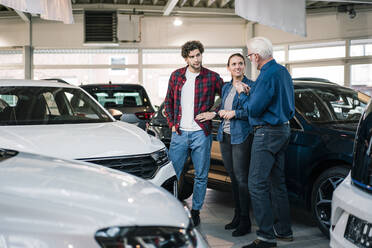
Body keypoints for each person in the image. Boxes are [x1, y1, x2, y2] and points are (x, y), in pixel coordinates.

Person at [239, 37, 295, 248]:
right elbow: (278, 101)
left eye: (249, 55)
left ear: (255, 56)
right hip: (283, 130)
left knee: (256, 183)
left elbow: (254, 109)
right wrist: (253, 94)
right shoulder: (282, 72)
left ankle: (265, 237)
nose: (250, 59)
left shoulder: (266, 75)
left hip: (266, 133)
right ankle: (284, 231)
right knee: (277, 183)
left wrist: (243, 95)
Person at [164, 40, 223, 226]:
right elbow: (169, 102)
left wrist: (213, 113)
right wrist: (172, 124)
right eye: (192, 56)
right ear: (186, 58)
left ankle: (196, 211)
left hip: (201, 133)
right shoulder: (176, 76)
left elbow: (226, 95)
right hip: (180, 132)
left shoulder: (212, 77)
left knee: (201, 174)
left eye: (198, 55)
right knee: (173, 173)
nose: (196, 59)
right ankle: (169, 208)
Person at [217, 53, 254, 237]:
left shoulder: (250, 86)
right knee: (232, 177)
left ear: (244, 66)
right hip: (225, 136)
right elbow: (221, 109)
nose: (237, 67)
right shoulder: (225, 87)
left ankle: (245, 221)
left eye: (240, 63)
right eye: (234, 64)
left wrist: (235, 113)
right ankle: (237, 216)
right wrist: (217, 113)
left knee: (242, 179)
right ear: (228, 67)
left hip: (241, 136)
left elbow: (253, 111)